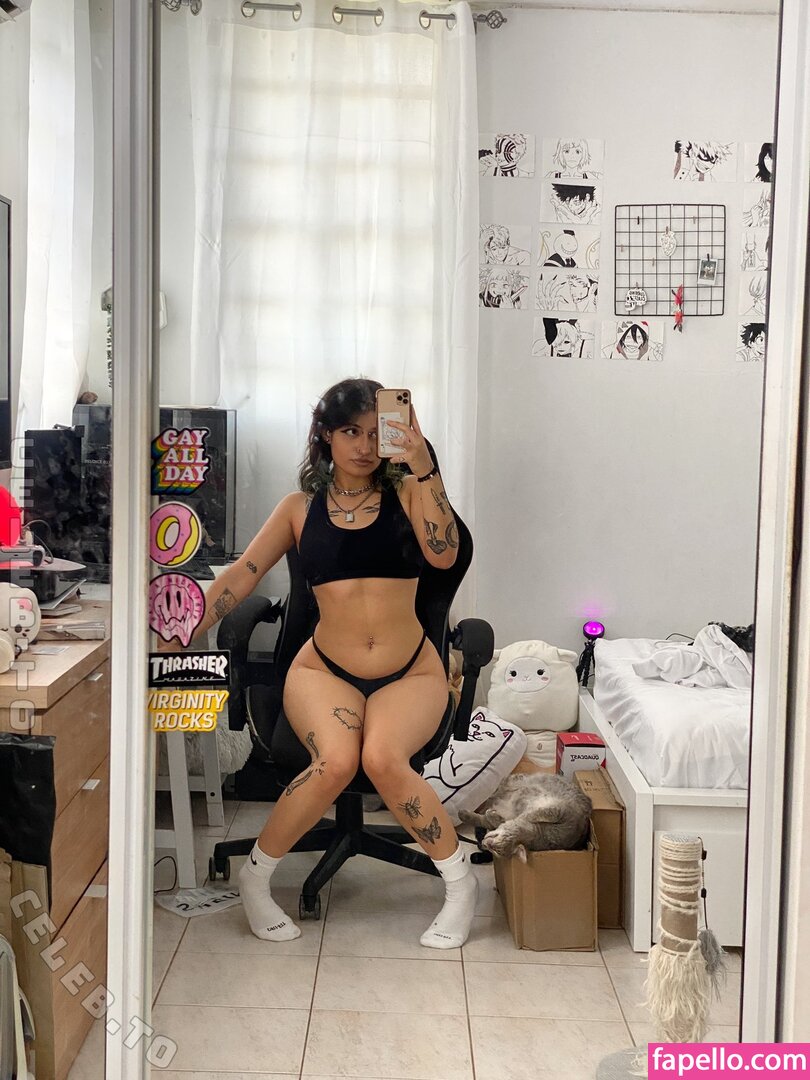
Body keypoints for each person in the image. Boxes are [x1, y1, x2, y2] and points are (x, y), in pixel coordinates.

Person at [182, 378, 477, 950]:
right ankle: (255, 879)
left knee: (384, 759)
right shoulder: (299, 508)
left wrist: (422, 463)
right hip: (323, 670)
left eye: (374, 433)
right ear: (325, 435)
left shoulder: (409, 493)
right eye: (350, 432)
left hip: (411, 670)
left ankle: (461, 886)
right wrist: (185, 627)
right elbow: (243, 573)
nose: (364, 446)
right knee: (336, 761)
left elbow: (444, 555)